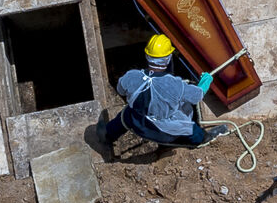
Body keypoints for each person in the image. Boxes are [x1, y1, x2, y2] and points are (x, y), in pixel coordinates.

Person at [96, 34, 228, 147]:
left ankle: (107, 135)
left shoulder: (131, 76)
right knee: (191, 129)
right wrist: (205, 82)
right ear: (168, 58)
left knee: (125, 114)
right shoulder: (175, 85)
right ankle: (202, 140)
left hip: (137, 124)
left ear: (147, 55)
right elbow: (197, 96)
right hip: (164, 134)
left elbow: (120, 90)